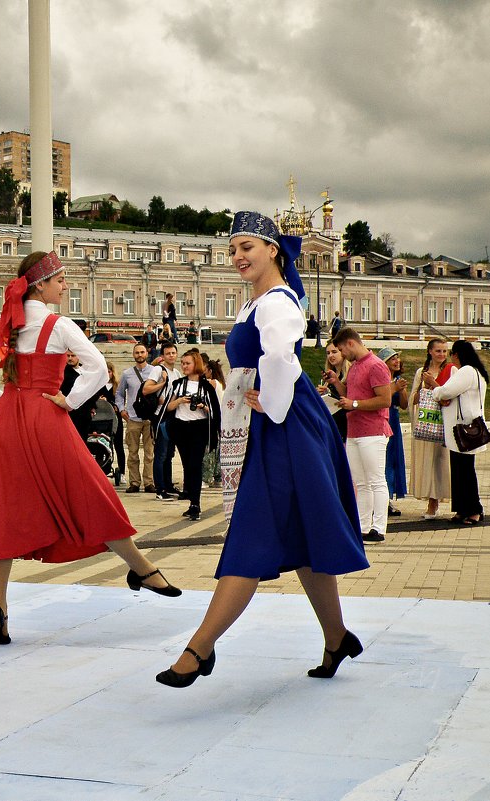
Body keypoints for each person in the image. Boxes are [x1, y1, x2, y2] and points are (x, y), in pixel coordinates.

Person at [157, 211, 366, 688]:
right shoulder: (256, 303)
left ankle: (199, 648)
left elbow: (280, 356)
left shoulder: (276, 302)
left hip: (285, 426)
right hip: (276, 426)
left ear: (273, 250)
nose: (237, 257)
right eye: (232, 250)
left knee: (252, 533)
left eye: (246, 247)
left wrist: (269, 406)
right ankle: (337, 638)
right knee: (307, 540)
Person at [0, 250, 182, 645]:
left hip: (8, 418)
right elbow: (96, 366)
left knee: (2, 510)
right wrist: (71, 400)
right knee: (91, 491)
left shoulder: (4, 321)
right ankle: (141, 567)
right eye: (60, 279)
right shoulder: (60, 325)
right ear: (41, 284)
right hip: (46, 417)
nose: (66, 285)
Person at [332, 328, 395, 543]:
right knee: (360, 482)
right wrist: (336, 383)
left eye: (341, 349)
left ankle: (379, 526)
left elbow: (385, 400)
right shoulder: (355, 367)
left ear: (350, 343)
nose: (341, 354)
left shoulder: (376, 365)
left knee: (376, 480)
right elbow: (350, 395)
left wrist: (355, 404)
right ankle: (363, 525)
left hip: (373, 430)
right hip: (355, 430)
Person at [426, 340, 490, 525]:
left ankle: (473, 510)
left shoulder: (467, 371)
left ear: (457, 355)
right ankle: (463, 509)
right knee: (461, 471)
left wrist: (434, 387)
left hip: (462, 431)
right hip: (466, 429)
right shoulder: (477, 372)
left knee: (465, 472)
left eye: (452, 353)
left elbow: (446, 391)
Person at [164, 348, 221, 521]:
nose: (184, 366)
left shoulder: (207, 386)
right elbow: (168, 407)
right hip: (181, 428)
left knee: (195, 465)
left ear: (196, 364)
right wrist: (180, 400)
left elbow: (215, 412)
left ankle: (195, 504)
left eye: (187, 363)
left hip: (199, 428)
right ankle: (191, 499)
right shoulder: (178, 384)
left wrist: (203, 406)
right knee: (188, 466)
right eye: (183, 363)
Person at [409, 338, 451, 519]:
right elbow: (414, 398)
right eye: (438, 351)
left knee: (440, 461)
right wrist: (424, 387)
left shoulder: (450, 371)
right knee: (427, 461)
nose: (441, 354)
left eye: (444, 351)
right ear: (430, 352)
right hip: (427, 423)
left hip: (443, 423)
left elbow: (449, 395)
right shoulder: (421, 372)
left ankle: (437, 499)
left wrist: (434, 384)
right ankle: (430, 499)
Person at [116, 343, 159, 493]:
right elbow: (119, 394)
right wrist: (121, 409)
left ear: (146, 353)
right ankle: (134, 482)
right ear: (133, 355)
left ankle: (149, 482)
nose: (140, 355)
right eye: (137, 353)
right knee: (133, 453)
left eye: (142, 352)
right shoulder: (127, 374)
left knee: (149, 453)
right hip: (132, 418)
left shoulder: (155, 372)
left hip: (149, 419)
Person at [144, 340, 182, 500]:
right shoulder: (158, 370)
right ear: (163, 356)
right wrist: (162, 384)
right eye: (168, 353)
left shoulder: (177, 373)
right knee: (160, 454)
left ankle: (167, 484)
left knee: (169, 454)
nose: (171, 355)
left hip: (172, 416)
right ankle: (160, 489)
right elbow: (146, 389)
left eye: (173, 353)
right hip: (160, 417)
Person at [379, 348, 409, 516]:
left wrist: (402, 389)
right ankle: (383, 499)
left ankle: (389, 497)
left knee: (392, 459)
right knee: (383, 458)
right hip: (383, 417)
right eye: (392, 358)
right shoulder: (381, 379)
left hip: (394, 418)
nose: (397, 361)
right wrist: (394, 388)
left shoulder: (398, 380)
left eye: (397, 358)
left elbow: (404, 405)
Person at [202, 356, 227, 488]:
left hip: (212, 418)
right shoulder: (222, 383)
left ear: (210, 371)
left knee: (209, 449)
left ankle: (206, 478)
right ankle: (218, 477)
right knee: (218, 449)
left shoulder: (211, 382)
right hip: (221, 419)